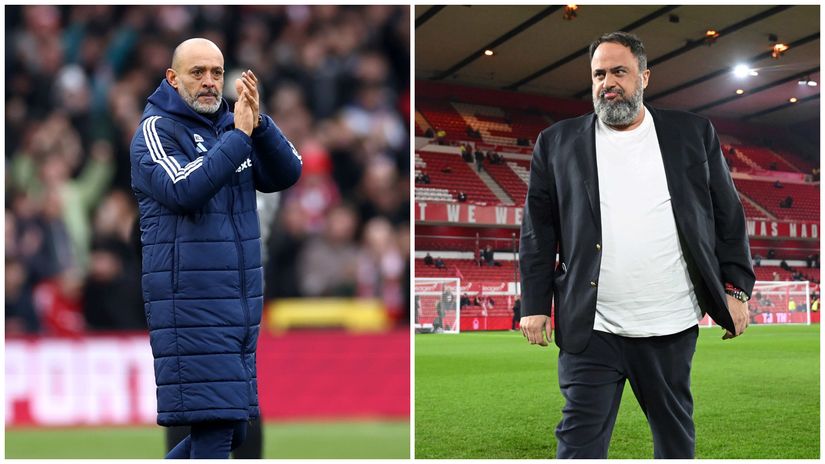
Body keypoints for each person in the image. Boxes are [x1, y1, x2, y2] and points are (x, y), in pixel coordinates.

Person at [519, 32, 754, 459]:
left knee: (673, 437)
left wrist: (735, 288)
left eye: (619, 71)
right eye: (598, 74)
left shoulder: (692, 133)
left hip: (670, 324)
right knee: (577, 442)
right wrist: (534, 304)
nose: (608, 82)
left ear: (644, 77)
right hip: (592, 326)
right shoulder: (556, 143)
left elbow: (728, 216)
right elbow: (538, 233)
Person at [130, 38, 302, 459]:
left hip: (237, 306)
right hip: (190, 305)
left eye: (217, 73)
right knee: (219, 427)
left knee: (233, 430)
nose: (209, 82)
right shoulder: (155, 131)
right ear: (172, 78)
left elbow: (287, 171)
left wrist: (259, 124)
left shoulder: (233, 124)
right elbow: (186, 188)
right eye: (197, 73)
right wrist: (240, 138)